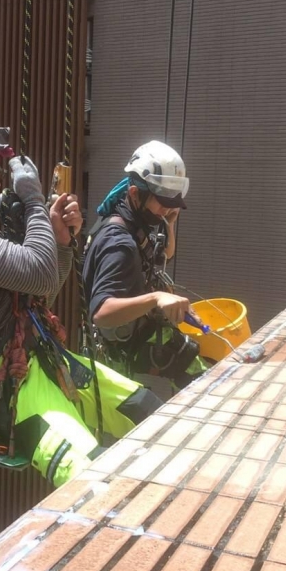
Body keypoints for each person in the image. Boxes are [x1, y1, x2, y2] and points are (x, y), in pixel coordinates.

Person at [0, 105, 163, 488]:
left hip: (35, 363)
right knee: (94, 482)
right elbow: (38, 274)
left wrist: (61, 241)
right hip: (5, 392)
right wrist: (34, 201)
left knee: (150, 412)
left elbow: (43, 288)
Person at [83, 140, 208, 398]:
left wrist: (169, 223)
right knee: (197, 380)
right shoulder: (120, 243)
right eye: (162, 203)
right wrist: (157, 298)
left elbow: (164, 255)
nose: (168, 209)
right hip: (120, 349)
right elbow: (101, 312)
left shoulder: (133, 222)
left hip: (133, 337)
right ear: (134, 194)